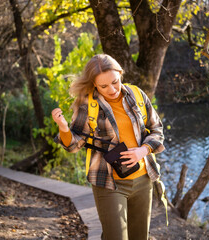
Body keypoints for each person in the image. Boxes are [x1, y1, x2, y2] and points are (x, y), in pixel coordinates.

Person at [51, 54, 165, 240]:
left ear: (120, 74)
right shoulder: (88, 106)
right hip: (109, 183)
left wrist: (143, 150)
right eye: (104, 86)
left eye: (115, 82)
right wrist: (64, 128)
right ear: (94, 84)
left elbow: (157, 130)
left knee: (140, 237)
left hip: (143, 180)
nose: (112, 89)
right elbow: (73, 145)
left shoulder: (136, 95)